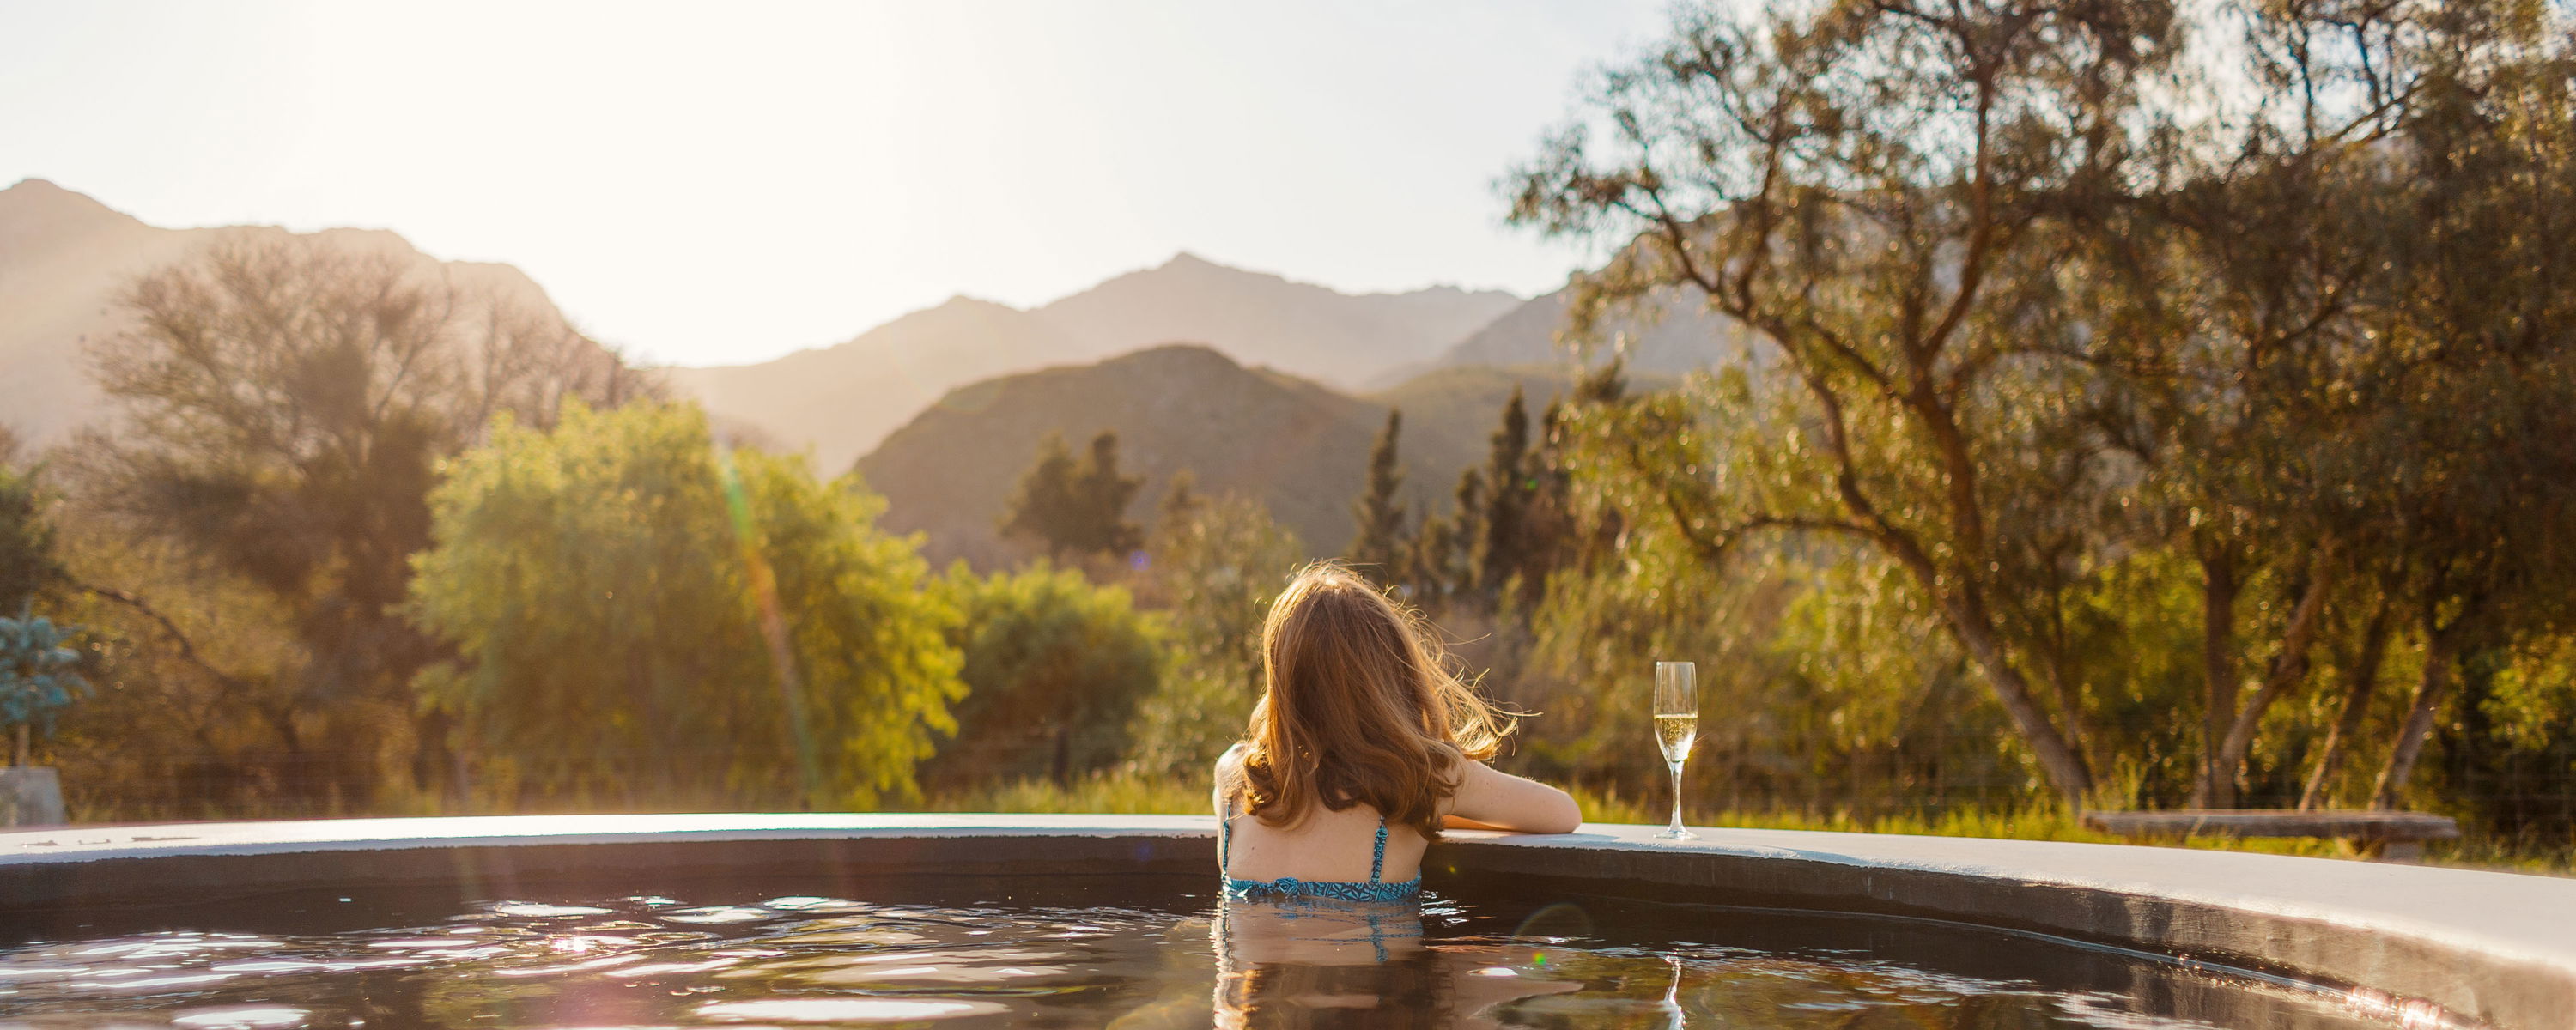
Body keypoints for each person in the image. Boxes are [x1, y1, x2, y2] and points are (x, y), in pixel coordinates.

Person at [1212, 562, 1581, 904]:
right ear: (1391, 673)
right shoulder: (1423, 780)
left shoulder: (1233, 776)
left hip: (1246, 972)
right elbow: (1563, 814)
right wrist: (1434, 810)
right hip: (1380, 973)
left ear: (1280, 677)